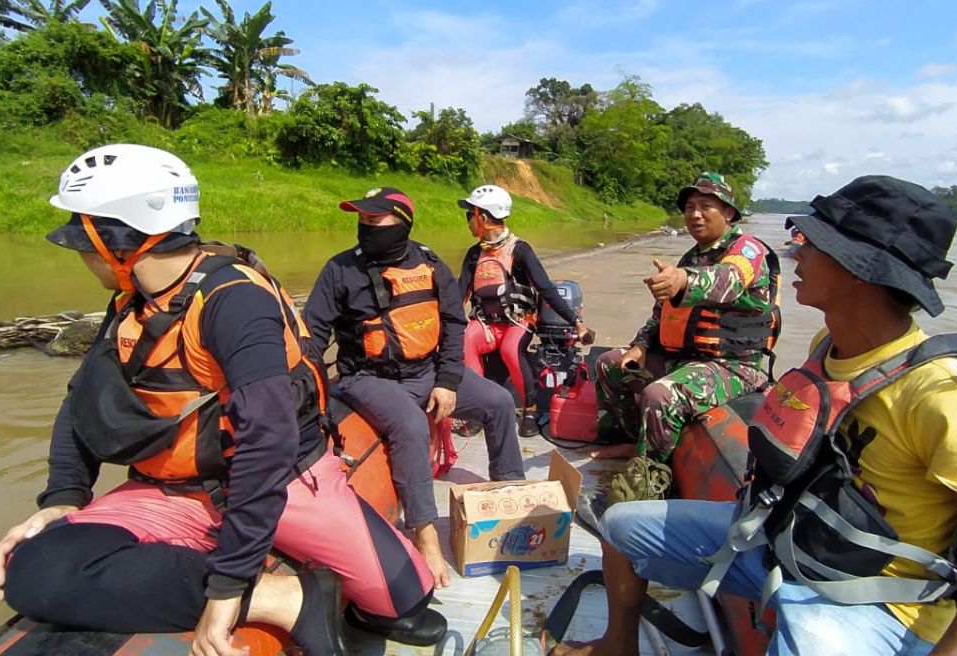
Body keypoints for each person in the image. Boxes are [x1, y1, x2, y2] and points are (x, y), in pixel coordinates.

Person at [552, 175, 957, 656]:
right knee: (618, 524)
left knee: (803, 618)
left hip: (877, 600)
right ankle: (617, 645)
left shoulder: (950, 399)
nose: (795, 250)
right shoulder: (828, 346)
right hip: (786, 535)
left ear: (861, 270)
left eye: (812, 243)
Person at [0, 144, 446, 656]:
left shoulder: (233, 300)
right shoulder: (131, 303)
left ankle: (269, 582)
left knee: (404, 606)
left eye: (82, 239)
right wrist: (63, 499)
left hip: (283, 481)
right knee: (31, 569)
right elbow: (82, 402)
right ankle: (277, 597)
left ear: (114, 239)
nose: (81, 254)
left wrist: (226, 587)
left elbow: (268, 441)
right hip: (172, 490)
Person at [302, 186, 526, 589]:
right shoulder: (339, 270)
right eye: (362, 220)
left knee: (498, 401)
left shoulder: (430, 263)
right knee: (409, 424)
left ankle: (508, 497)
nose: (366, 227)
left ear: (401, 224)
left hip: (426, 370)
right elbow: (312, 338)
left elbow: (454, 324)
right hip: (366, 378)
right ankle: (424, 532)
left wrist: (447, 381)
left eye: (376, 220)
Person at [592, 171, 779, 475]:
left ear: (729, 212)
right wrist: (640, 346)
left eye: (705, 206)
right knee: (609, 364)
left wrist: (682, 279)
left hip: (731, 366)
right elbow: (661, 314)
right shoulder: (691, 257)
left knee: (661, 395)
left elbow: (727, 281)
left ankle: (650, 476)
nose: (695, 214)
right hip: (684, 359)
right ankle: (632, 442)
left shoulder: (748, 250)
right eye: (690, 207)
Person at [457, 184, 589, 437]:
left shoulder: (520, 251)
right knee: (464, 340)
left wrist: (576, 323)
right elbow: (458, 294)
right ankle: (477, 408)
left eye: (469, 215)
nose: (468, 222)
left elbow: (546, 289)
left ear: (482, 218)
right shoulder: (474, 254)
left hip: (519, 322)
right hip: (486, 324)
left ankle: (530, 408)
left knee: (510, 349)